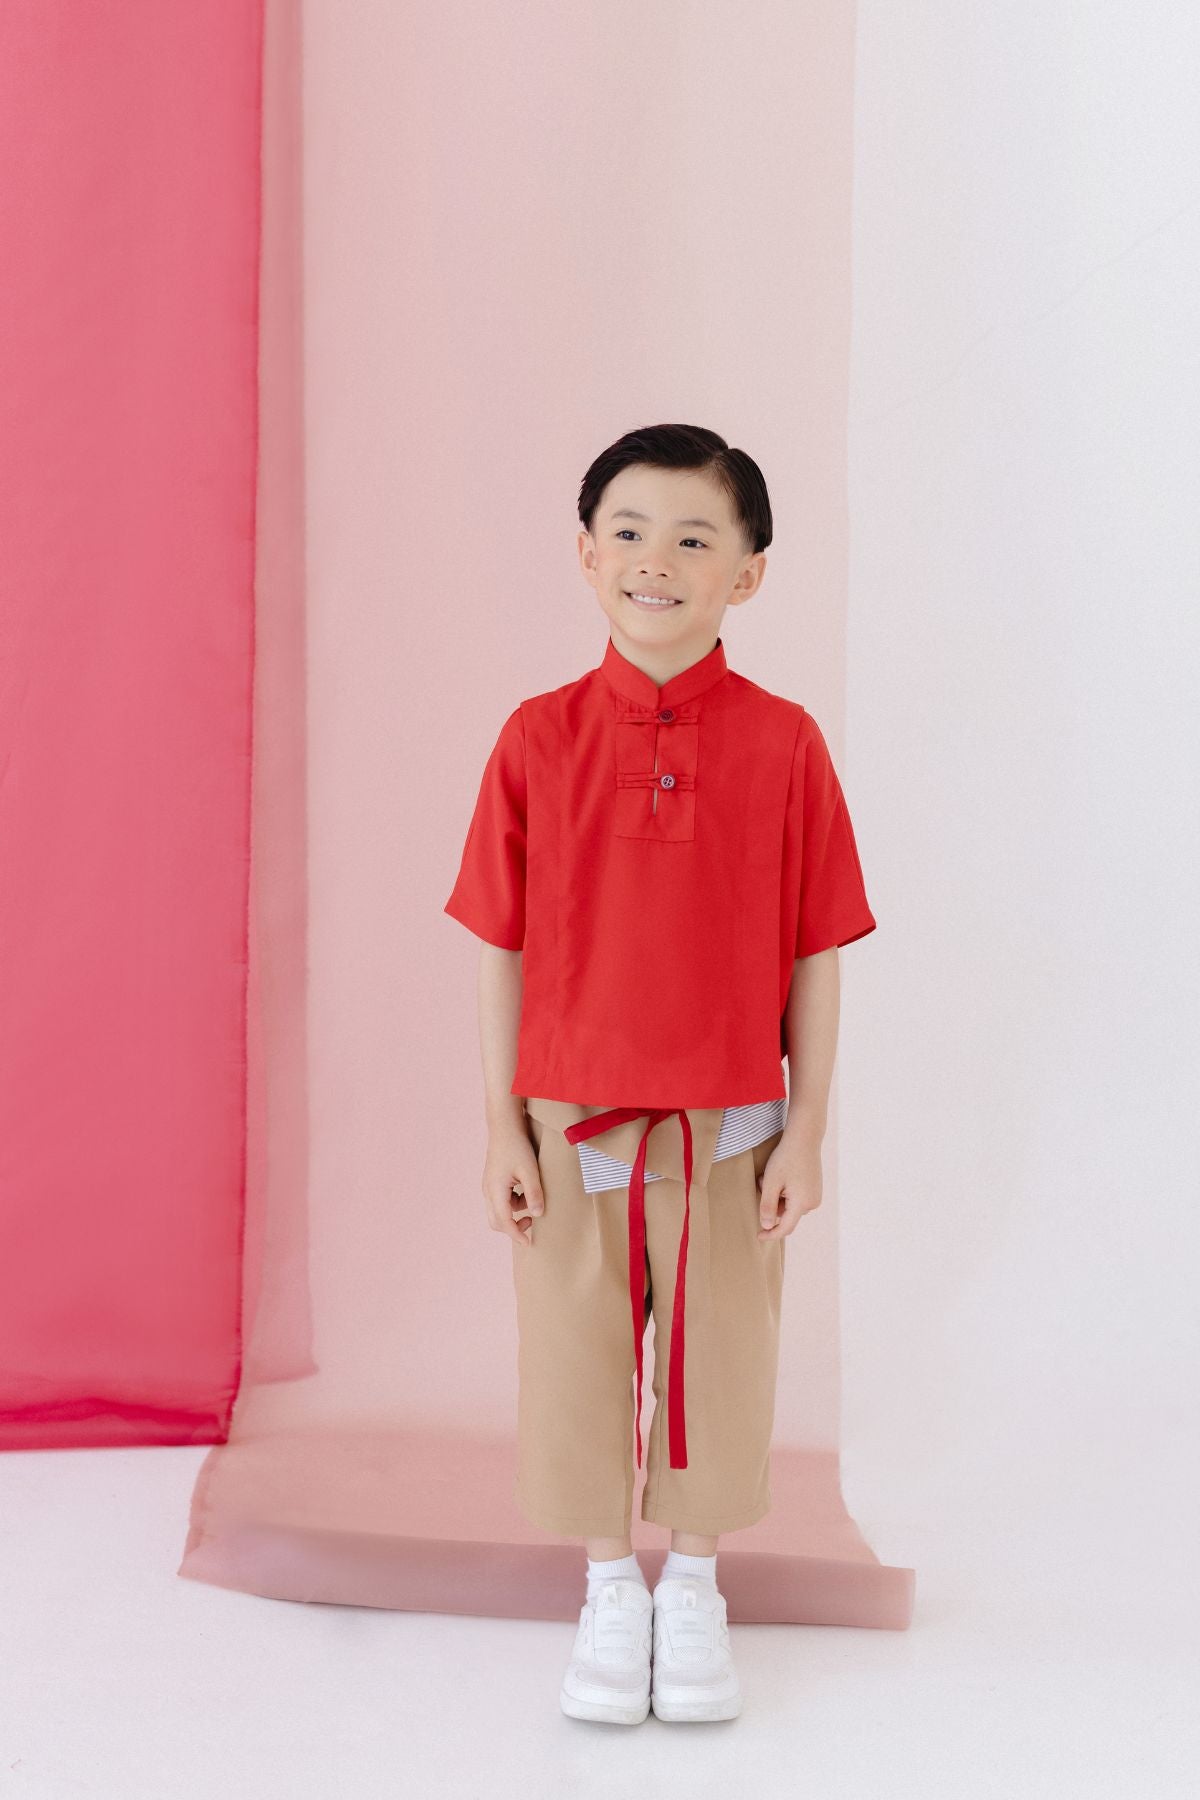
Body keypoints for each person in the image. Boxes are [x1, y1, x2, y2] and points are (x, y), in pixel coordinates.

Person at [443, 422, 877, 1724]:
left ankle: (693, 1582)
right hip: (571, 1109)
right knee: (574, 1353)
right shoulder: (537, 738)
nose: (657, 561)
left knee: (720, 1356)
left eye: (695, 539)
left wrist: (808, 1130)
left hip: (732, 1119)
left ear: (747, 572)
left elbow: (815, 950)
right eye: (628, 533)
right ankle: (605, 1585)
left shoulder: (786, 744)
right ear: (586, 555)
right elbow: (502, 949)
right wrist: (502, 1128)